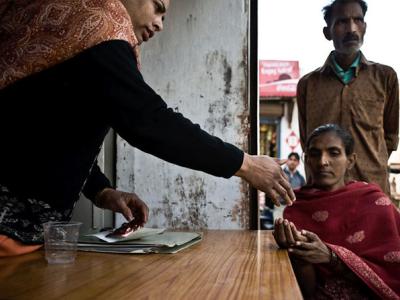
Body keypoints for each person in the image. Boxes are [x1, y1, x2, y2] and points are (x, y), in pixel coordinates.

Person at [0, 0, 295, 256]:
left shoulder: (83, 36)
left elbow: (52, 131)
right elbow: (149, 121)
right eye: (158, 8)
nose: (160, 24)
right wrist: (247, 165)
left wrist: (103, 192)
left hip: (27, 238)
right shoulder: (100, 25)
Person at [273, 124, 400, 298]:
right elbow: (305, 290)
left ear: (351, 160)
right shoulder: (297, 207)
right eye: (315, 154)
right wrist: (297, 251)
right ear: (306, 159)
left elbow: (391, 271)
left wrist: (332, 256)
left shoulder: (375, 202)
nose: (323, 161)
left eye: (334, 153)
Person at [297, 0, 399, 195]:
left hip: (372, 189)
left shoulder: (386, 77)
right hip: (323, 192)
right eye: (342, 22)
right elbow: (306, 140)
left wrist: (369, 162)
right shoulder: (308, 84)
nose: (351, 28)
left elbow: (391, 138)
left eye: (358, 20)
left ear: (365, 27)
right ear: (328, 32)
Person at [272, 152, 306, 221]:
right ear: (287, 161)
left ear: (298, 163)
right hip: (280, 207)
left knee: (292, 229)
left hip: (294, 208)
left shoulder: (300, 178)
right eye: (291, 159)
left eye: (295, 160)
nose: (292, 162)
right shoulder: (280, 174)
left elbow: (303, 194)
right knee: (279, 228)